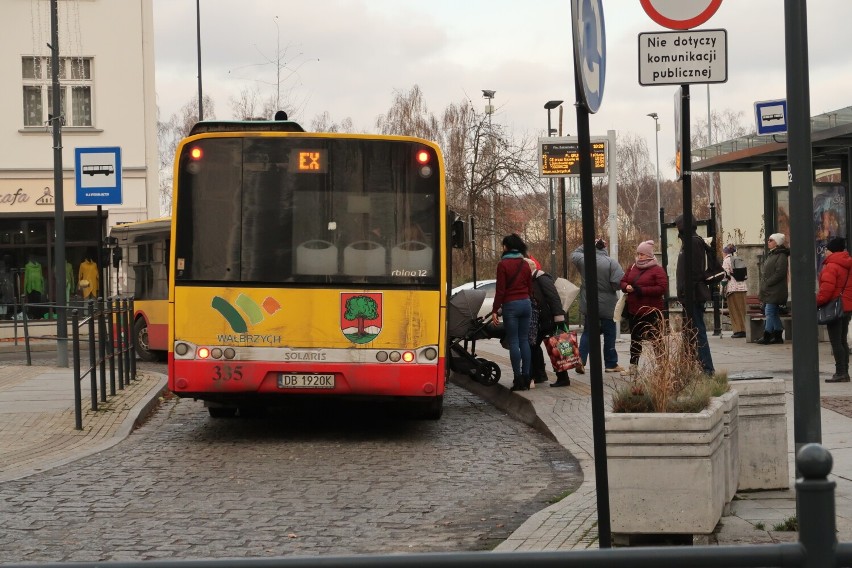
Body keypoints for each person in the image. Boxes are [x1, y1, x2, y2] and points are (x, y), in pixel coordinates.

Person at [571, 238, 625, 374]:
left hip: (590, 302)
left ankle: (581, 361)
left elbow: (574, 254)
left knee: (588, 333)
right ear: (605, 248)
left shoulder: (584, 260)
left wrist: (588, 243)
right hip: (607, 304)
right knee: (609, 334)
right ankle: (610, 364)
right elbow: (617, 284)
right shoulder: (611, 263)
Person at [491, 233, 533, 391]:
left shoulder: (503, 265)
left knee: (514, 342)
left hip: (511, 305)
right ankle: (527, 377)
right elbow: (530, 288)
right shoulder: (525, 264)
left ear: (506, 247)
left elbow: (500, 290)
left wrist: (495, 310)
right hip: (526, 304)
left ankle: (518, 379)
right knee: (524, 341)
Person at [619, 240, 668, 376]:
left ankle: (661, 365)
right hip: (634, 310)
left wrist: (642, 290)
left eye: (642, 254)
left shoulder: (657, 269)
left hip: (652, 311)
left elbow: (662, 288)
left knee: (656, 339)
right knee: (635, 339)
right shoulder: (633, 267)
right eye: (639, 254)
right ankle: (633, 367)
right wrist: (625, 287)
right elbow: (623, 281)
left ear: (649, 255)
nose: (640, 256)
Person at [525, 257, 575, 388]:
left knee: (555, 347)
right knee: (535, 346)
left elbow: (553, 297)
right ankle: (540, 374)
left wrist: (558, 318)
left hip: (549, 319)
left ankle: (563, 378)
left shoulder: (542, 278)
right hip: (540, 320)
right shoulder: (531, 280)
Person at [674, 215, 715, 375]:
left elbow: (694, 271)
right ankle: (689, 367)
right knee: (690, 332)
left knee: (698, 331)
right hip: (689, 295)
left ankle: (707, 369)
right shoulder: (689, 241)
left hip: (693, 295)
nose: (677, 228)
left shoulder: (693, 242)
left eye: (678, 225)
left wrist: (686, 290)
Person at [817, 237, 852, 383]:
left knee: (836, 342)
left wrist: (815, 302)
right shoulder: (848, 264)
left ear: (832, 250)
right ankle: (845, 372)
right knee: (842, 341)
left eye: (826, 249)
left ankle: (840, 372)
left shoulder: (831, 266)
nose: (824, 252)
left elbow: (826, 291)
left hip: (835, 307)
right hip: (847, 307)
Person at [756, 233, 790, 345]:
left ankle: (767, 334)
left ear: (777, 242)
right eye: (768, 240)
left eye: (771, 240)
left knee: (769, 312)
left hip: (776, 290)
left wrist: (768, 282)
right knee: (773, 313)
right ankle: (778, 335)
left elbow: (780, 273)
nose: (768, 242)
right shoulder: (772, 254)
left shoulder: (781, 255)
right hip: (770, 289)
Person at [722, 244, 748, 338]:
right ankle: (745, 329)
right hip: (743, 287)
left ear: (725, 252)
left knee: (734, 310)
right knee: (742, 310)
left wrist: (722, 288)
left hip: (732, 289)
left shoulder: (726, 260)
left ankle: (738, 330)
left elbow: (724, 275)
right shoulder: (738, 259)